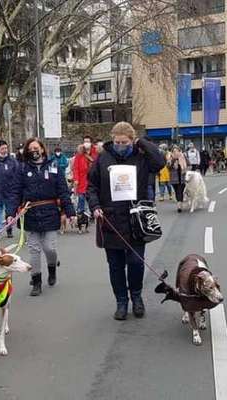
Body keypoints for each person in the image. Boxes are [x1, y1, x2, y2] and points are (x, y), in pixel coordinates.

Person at [87, 122, 165, 320]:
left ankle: (136, 298)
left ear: (132, 140)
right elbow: (91, 186)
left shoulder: (141, 156)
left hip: (135, 220)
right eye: (117, 141)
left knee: (136, 263)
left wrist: (142, 143)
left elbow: (160, 162)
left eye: (125, 141)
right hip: (110, 219)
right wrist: (95, 206)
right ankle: (121, 301)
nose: (120, 144)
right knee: (115, 265)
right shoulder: (103, 158)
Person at [7, 138, 75, 296]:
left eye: (36, 148)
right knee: (34, 249)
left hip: (50, 212)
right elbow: (15, 192)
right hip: (31, 213)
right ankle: (36, 281)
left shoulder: (54, 167)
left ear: (43, 149)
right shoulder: (22, 169)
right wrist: (10, 213)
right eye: (30, 149)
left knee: (49, 248)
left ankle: (52, 269)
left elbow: (63, 192)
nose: (33, 151)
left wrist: (70, 212)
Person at [72, 143, 93, 215]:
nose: (79, 150)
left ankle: (88, 211)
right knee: (81, 197)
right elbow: (75, 169)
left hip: (86, 179)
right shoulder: (78, 157)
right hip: (80, 180)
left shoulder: (87, 157)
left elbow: (91, 167)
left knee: (86, 196)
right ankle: (80, 211)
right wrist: (76, 179)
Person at [168, 146, 188, 213]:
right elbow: (168, 167)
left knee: (180, 191)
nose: (175, 152)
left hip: (182, 178)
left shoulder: (183, 156)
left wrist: (185, 169)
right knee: (177, 192)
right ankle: (179, 202)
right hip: (174, 179)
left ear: (179, 151)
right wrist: (173, 161)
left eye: (176, 151)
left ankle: (179, 205)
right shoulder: (170, 158)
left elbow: (189, 164)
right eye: (174, 151)